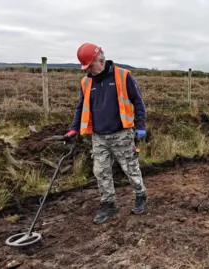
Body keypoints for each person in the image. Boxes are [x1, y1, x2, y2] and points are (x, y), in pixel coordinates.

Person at [65, 42, 148, 224]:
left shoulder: (123, 76)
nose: (89, 70)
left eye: (90, 65)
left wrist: (141, 126)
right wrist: (73, 128)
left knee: (130, 168)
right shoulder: (87, 82)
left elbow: (138, 102)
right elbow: (81, 107)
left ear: (100, 59)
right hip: (98, 136)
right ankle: (108, 204)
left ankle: (140, 194)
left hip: (121, 133)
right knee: (101, 171)